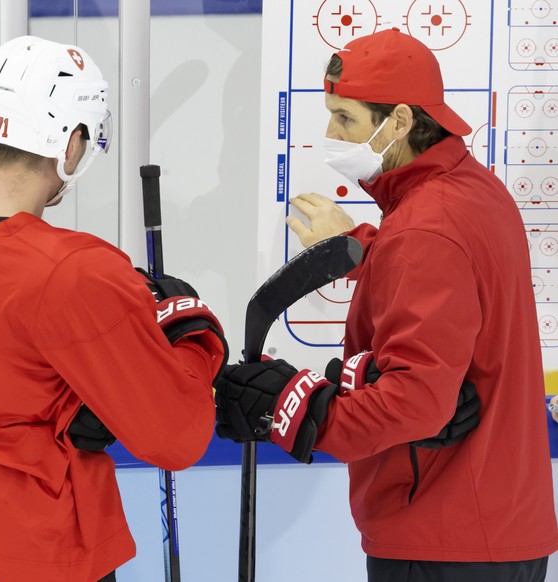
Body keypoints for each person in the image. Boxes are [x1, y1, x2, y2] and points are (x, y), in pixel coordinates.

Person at [214, 28, 558, 582]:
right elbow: (448, 283)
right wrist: (365, 251)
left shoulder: (425, 230)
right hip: (492, 525)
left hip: (442, 537)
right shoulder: (472, 193)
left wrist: (292, 413)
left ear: (399, 121)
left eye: (344, 118)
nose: (329, 133)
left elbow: (417, 402)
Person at [0, 36, 227, 581]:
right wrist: (193, 331)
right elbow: (175, 436)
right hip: (36, 549)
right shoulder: (75, 272)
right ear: (70, 145)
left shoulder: (68, 274)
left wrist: (73, 400)